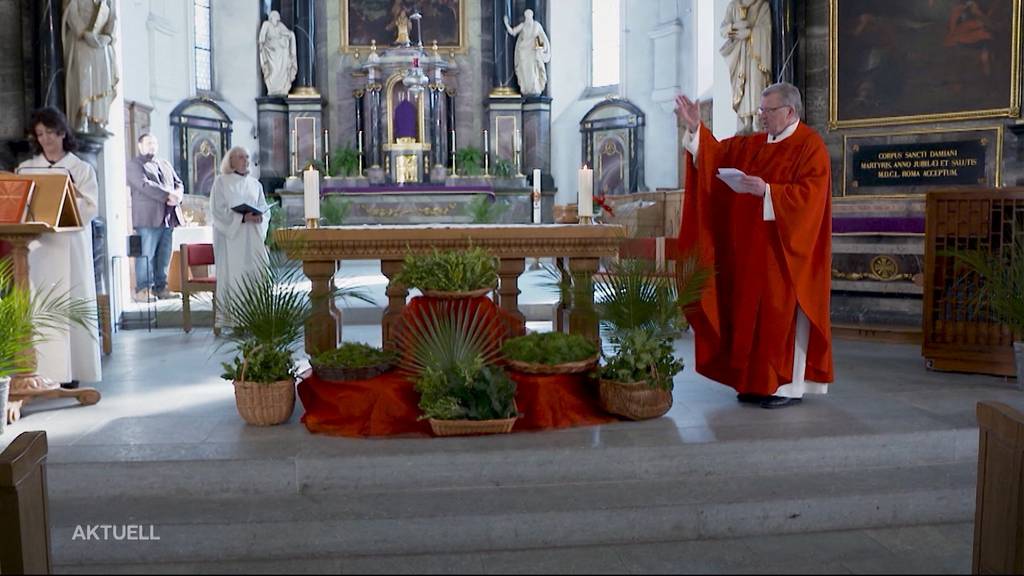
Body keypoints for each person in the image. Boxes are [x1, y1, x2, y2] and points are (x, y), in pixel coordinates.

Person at [675, 83, 833, 409]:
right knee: (748, 319)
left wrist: (769, 192)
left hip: (785, 255)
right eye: (760, 110)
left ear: (790, 111)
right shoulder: (755, 144)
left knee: (777, 318)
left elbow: (812, 197)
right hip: (748, 253)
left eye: (768, 110)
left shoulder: (810, 145)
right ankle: (752, 382)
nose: (761, 117)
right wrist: (695, 128)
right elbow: (716, 155)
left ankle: (783, 387)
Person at [17, 107, 102, 386]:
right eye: (40, 134)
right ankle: (38, 373)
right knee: (41, 306)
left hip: (69, 245)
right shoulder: (27, 169)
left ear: (63, 133)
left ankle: (73, 373)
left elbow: (91, 207)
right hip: (38, 247)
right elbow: (19, 205)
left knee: (71, 304)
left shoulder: (81, 168)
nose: (46, 140)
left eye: (50, 133)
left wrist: (67, 200)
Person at [209, 146, 269, 330]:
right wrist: (242, 218)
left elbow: (264, 207)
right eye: (241, 157)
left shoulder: (255, 184)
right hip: (232, 239)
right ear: (231, 161)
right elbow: (217, 210)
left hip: (254, 236)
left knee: (256, 274)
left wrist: (260, 217)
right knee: (235, 275)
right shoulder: (221, 182)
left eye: (247, 157)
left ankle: (257, 318)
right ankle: (236, 321)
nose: (245, 160)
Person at [127, 134, 184, 302]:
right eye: (148, 143)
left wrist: (178, 195)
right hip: (148, 218)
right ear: (140, 146)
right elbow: (144, 185)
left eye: (154, 143)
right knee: (146, 254)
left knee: (164, 254)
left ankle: (161, 287)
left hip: (168, 217)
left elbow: (178, 182)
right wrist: (168, 195)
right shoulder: (134, 165)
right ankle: (142, 290)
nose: (152, 146)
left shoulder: (165, 164)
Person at [62, 0, 119, 135]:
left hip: (101, 43)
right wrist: (83, 33)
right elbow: (71, 11)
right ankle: (81, 119)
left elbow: (113, 17)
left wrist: (108, 36)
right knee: (83, 79)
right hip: (81, 41)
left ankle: (97, 121)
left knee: (102, 81)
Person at [720, 0, 772, 134]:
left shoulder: (762, 5)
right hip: (740, 55)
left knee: (755, 85)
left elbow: (766, 29)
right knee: (742, 85)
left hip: (756, 55)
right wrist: (733, 27)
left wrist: (750, 33)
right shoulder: (733, 6)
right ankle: (745, 122)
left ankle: (757, 120)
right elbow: (723, 30)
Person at [503, 9, 551, 97]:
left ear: (532, 15)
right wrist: (506, 24)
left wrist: (540, 51)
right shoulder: (523, 25)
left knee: (533, 71)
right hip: (523, 52)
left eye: (529, 15)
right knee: (525, 72)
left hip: (533, 52)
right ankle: (526, 88)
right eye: (526, 15)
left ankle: (535, 88)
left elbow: (541, 37)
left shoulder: (537, 25)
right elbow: (513, 32)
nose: (528, 17)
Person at [258, 10, 298, 96]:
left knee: (285, 56)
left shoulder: (280, 25)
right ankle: (273, 88)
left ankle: (282, 87)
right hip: (271, 52)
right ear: (271, 18)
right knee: (273, 72)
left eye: (278, 19)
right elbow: (262, 37)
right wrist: (262, 43)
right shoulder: (267, 24)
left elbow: (288, 33)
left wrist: (289, 35)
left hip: (281, 52)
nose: (277, 20)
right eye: (276, 18)